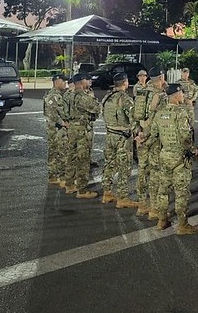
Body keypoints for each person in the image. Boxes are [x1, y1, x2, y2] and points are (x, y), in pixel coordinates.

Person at [145, 84, 198, 234]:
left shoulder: (159, 113)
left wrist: (143, 141)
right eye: (182, 93)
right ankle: (182, 224)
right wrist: (193, 150)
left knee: (163, 190)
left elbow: (154, 135)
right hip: (180, 158)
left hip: (165, 155)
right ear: (176, 95)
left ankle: (162, 220)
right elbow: (185, 137)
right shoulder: (180, 113)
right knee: (181, 192)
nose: (183, 96)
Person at [99, 72, 139, 208]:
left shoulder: (107, 97)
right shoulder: (125, 99)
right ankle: (123, 198)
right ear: (125, 83)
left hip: (110, 134)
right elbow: (133, 118)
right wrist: (138, 133)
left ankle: (107, 192)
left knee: (109, 164)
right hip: (123, 137)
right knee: (124, 167)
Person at [133, 67, 166, 217]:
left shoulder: (141, 92)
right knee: (155, 172)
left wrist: (139, 133)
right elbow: (161, 121)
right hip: (153, 139)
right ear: (161, 78)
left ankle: (142, 204)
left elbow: (135, 115)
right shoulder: (160, 95)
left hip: (141, 135)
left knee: (142, 170)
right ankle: (154, 208)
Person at [65, 73, 101, 199]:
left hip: (72, 129)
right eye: (86, 80)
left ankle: (69, 184)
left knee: (71, 157)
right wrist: (94, 100)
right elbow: (97, 108)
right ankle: (82, 190)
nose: (88, 81)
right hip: (82, 130)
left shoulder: (68, 95)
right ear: (81, 82)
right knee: (83, 159)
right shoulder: (82, 97)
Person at [44, 73, 69, 187]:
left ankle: (54, 176)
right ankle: (61, 177)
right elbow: (51, 114)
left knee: (56, 152)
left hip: (57, 128)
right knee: (60, 152)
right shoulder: (52, 96)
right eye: (63, 81)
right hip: (56, 129)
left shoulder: (60, 94)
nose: (65, 83)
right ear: (57, 82)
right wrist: (63, 123)